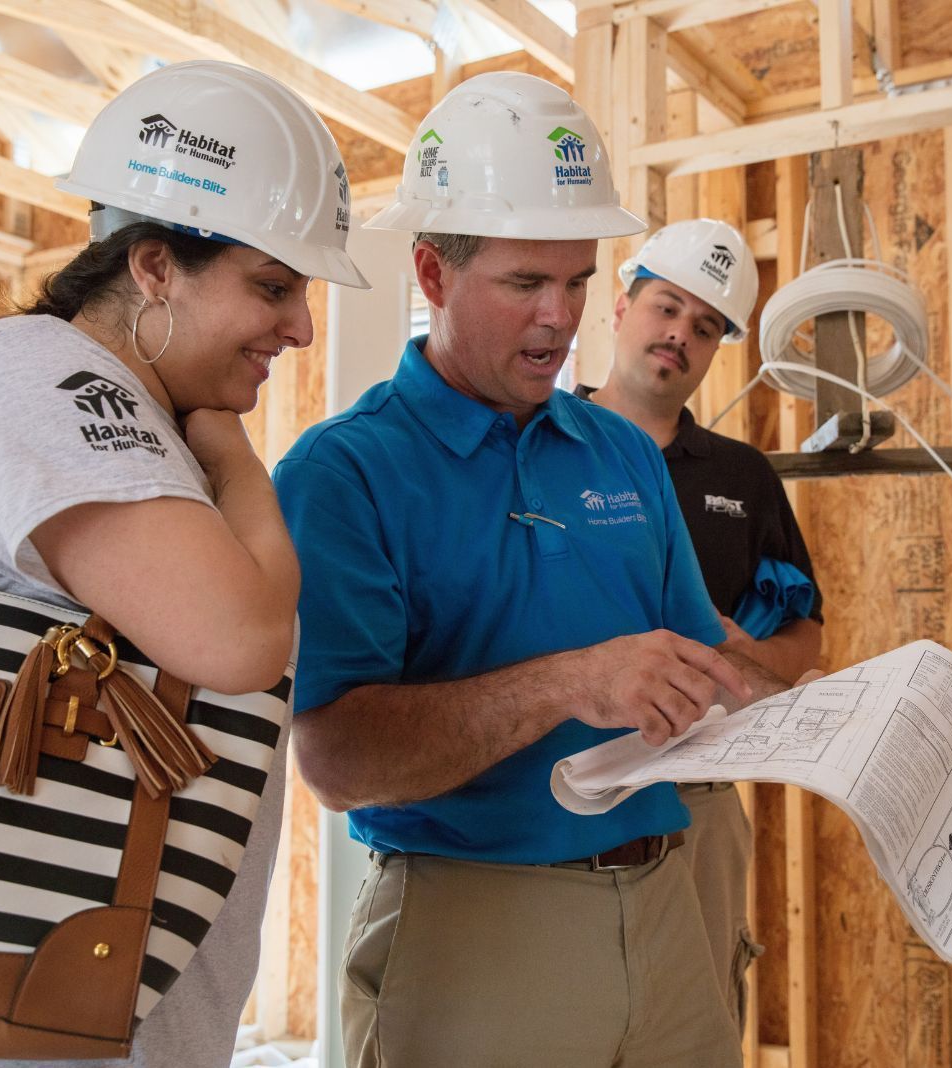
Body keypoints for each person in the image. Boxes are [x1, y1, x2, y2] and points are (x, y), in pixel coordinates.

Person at [274, 73, 800, 1068]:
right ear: (430, 275)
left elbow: (699, 662)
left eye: (578, 281)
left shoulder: (620, 455)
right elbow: (336, 760)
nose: (559, 319)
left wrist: (841, 710)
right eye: (525, 283)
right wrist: (571, 682)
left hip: (666, 906)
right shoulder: (342, 473)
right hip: (475, 929)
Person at [0, 60, 366, 1068]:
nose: (299, 327)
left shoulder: (135, 415)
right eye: (272, 285)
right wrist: (234, 455)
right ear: (155, 266)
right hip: (17, 1031)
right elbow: (238, 638)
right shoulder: (44, 374)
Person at [577, 217, 823, 1031]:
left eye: (706, 326)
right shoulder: (542, 440)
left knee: (699, 1018)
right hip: (563, 784)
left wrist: (744, 656)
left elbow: (804, 630)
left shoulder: (742, 476)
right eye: (666, 307)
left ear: (719, 347)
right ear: (621, 308)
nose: (680, 334)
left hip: (702, 799)